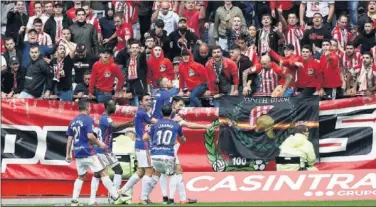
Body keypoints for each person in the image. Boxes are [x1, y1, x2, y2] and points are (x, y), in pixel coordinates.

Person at [65, 99, 125, 206]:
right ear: (87, 107)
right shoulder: (88, 119)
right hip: (89, 152)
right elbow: (90, 136)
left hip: (78, 153)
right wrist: (100, 144)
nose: (90, 108)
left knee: (81, 176)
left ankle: (74, 200)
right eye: (89, 106)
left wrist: (67, 154)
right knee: (103, 172)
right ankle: (116, 197)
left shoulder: (72, 121)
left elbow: (69, 139)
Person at [89, 99, 134, 205]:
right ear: (107, 106)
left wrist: (128, 125)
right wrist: (129, 123)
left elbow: (113, 130)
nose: (115, 107)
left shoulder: (104, 118)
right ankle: (114, 196)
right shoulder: (105, 118)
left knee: (97, 174)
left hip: (99, 150)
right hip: (105, 150)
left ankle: (92, 199)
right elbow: (114, 126)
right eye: (113, 105)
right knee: (118, 170)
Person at [142, 104, 186, 204]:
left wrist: (153, 136)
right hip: (168, 154)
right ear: (171, 113)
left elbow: (144, 138)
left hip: (155, 154)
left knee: (160, 173)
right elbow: (183, 140)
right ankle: (171, 199)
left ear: (161, 113)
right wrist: (183, 139)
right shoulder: (176, 125)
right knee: (174, 174)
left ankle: (161, 197)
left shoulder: (155, 125)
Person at [120, 94, 158, 204]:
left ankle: (122, 191)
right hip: (144, 145)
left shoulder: (140, 112)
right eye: (146, 100)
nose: (149, 102)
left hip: (139, 144)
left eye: (150, 100)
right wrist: (169, 121)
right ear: (140, 102)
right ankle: (143, 198)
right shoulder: (142, 112)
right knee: (149, 170)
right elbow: (154, 122)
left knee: (140, 171)